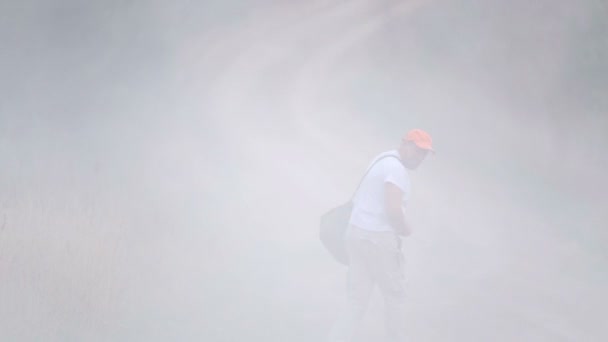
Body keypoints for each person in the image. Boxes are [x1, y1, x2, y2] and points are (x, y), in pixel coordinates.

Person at [328, 129, 433, 342]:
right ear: (404, 143)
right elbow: (393, 210)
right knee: (395, 296)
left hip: (355, 234)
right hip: (378, 239)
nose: (420, 157)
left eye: (424, 153)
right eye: (417, 150)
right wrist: (405, 229)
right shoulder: (397, 170)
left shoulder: (382, 159)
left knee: (356, 300)